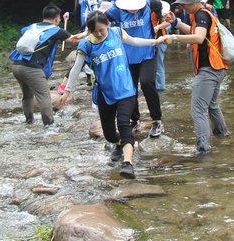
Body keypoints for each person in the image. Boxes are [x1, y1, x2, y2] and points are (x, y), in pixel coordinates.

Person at [57, 11, 164, 179]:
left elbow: (135, 41)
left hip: (126, 89)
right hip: (105, 92)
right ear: (90, 30)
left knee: (124, 124)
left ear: (107, 25)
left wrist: (155, 41)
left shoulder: (117, 32)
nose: (100, 34)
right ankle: (120, 144)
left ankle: (128, 164)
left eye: (102, 29)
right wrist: (67, 91)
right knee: (109, 134)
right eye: (95, 31)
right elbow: (76, 68)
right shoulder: (86, 45)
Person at [162, 0, 230, 155]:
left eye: (184, 4)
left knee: (198, 110)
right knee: (212, 105)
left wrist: (173, 37)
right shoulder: (205, 12)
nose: (182, 7)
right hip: (218, 67)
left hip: (208, 70)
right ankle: (222, 135)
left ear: (193, 2)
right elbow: (195, 32)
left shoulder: (200, 15)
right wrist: (176, 23)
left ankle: (203, 148)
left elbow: (198, 38)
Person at [105, 0, 165, 138]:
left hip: (148, 52)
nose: (133, 9)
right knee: (130, 88)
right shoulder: (117, 10)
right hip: (126, 55)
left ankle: (157, 120)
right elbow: (101, 20)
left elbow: (164, 9)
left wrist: (163, 23)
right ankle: (135, 120)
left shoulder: (150, 4)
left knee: (146, 83)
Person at [9, 5, 80, 125]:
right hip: (32, 69)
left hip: (17, 66)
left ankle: (29, 121)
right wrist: (89, 33)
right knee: (44, 96)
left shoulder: (31, 27)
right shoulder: (56, 30)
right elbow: (74, 40)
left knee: (27, 95)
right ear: (57, 19)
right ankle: (49, 126)